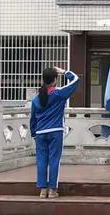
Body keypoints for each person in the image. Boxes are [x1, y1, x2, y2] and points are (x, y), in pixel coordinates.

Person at [30, 66, 80, 199]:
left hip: (40, 133)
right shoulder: (59, 94)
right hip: (55, 131)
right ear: (54, 80)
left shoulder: (36, 99)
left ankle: (42, 190)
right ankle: (52, 190)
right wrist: (64, 72)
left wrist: (33, 133)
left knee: (41, 161)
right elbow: (76, 80)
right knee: (54, 160)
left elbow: (33, 119)